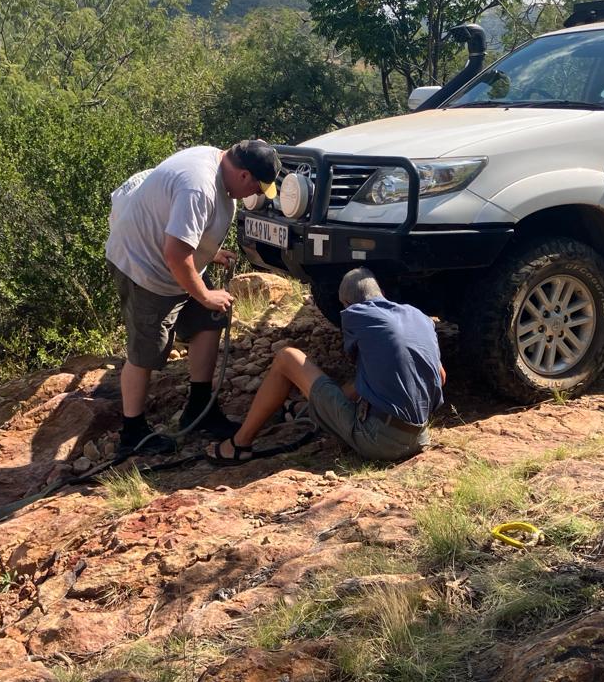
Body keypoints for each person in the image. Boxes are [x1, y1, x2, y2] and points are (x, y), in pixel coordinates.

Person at [105, 139, 282, 455]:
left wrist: (208, 254)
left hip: (174, 264)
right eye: (256, 186)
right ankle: (132, 432)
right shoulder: (199, 187)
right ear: (243, 175)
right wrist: (205, 295)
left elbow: (177, 225)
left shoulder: (218, 167)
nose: (255, 193)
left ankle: (200, 408)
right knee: (147, 350)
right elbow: (175, 253)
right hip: (145, 268)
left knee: (208, 320)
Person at [209, 267, 444, 465]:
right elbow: (440, 376)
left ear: (346, 304)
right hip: (420, 436)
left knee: (287, 357)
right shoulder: (418, 317)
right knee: (367, 377)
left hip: (379, 442)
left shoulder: (356, 314)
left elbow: (355, 362)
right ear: (382, 292)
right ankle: (306, 410)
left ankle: (239, 444)